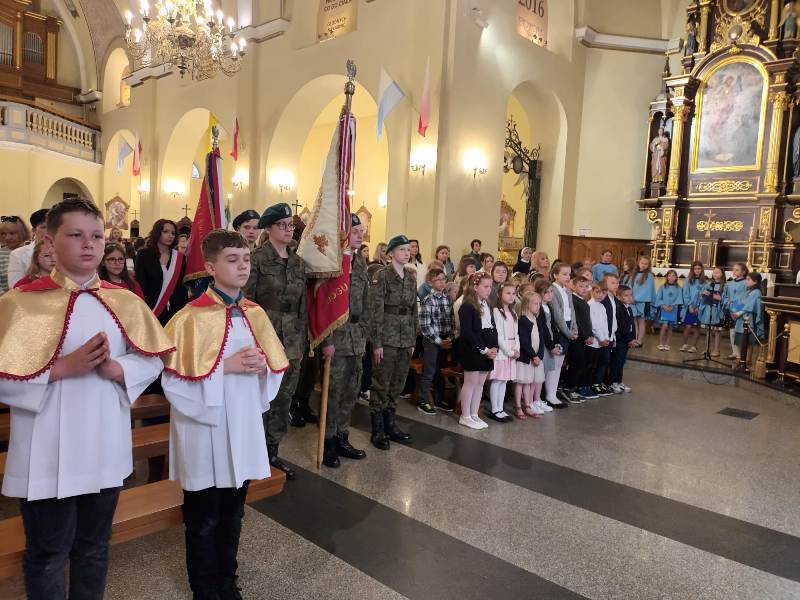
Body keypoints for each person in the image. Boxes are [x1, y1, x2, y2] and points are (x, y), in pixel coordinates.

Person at [0, 197, 171, 599]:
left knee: (94, 548)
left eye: (96, 235)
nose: (89, 244)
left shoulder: (124, 301)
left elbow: (154, 358)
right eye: (76, 235)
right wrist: (61, 368)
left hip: (102, 443)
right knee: (47, 553)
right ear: (49, 240)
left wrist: (118, 369)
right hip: (46, 449)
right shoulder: (19, 304)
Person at [162, 229, 288, 599]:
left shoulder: (255, 314)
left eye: (246, 259)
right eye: (232, 260)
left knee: (234, 513)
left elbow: (274, 369)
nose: (242, 266)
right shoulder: (188, 318)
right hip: (205, 429)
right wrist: (225, 367)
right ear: (210, 267)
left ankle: (227, 583)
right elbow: (172, 381)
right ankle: (204, 589)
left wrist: (263, 367)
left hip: (242, 424)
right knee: (203, 517)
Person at [245, 203, 307, 480]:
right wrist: (250, 340)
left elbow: (303, 305)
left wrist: (302, 341)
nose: (288, 229)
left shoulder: (298, 262)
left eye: (290, 225)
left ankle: (272, 451)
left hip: (292, 338)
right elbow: (246, 301)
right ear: (268, 228)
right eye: (282, 225)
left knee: (284, 397)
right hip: (264, 334)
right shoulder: (256, 258)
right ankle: (253, 453)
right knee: (260, 395)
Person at [319, 214, 371, 467]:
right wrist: (326, 340)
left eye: (362, 230)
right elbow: (323, 303)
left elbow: (366, 301)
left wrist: (365, 333)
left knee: (351, 390)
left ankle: (342, 436)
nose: (360, 235)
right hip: (337, 336)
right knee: (333, 392)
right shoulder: (333, 261)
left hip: (356, 336)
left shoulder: (360, 262)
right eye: (355, 230)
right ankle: (328, 441)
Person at [369, 234, 416, 447]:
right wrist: (377, 342)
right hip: (387, 336)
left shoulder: (411, 276)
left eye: (408, 249)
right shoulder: (382, 275)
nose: (406, 253)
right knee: (381, 382)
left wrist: (412, 338)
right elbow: (376, 310)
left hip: (405, 337)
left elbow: (414, 310)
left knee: (398, 382)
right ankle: (377, 429)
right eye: (401, 250)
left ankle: (390, 423)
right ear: (390, 253)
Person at [456, 272, 497, 429]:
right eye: (485, 286)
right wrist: (484, 349)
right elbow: (467, 333)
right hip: (473, 349)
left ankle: (474, 414)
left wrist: (494, 347)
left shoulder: (487, 304)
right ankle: (465, 415)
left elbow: (493, 327)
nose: (489, 290)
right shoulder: (467, 306)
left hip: (487, 349)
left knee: (480, 384)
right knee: (471, 383)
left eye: (490, 287)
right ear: (475, 287)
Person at [135, 219, 188, 325]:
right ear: (157, 232)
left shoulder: (179, 258)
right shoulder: (143, 255)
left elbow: (180, 286)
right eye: (166, 232)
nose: (170, 236)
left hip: (174, 311)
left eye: (173, 233)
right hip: (151, 309)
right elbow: (141, 285)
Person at [418, 266, 454, 415]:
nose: (441, 282)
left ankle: (439, 399)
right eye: (437, 280)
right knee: (430, 370)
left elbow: (451, 320)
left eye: (443, 279)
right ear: (430, 282)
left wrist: (450, 337)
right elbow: (425, 326)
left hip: (445, 340)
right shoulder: (428, 300)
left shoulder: (447, 298)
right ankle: (423, 400)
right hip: (432, 341)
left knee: (440, 371)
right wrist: (439, 341)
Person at [487, 282, 519, 422]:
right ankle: (494, 410)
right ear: (500, 294)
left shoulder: (513, 312)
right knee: (498, 380)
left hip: (512, 349)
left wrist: (517, 348)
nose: (511, 296)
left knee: (505, 381)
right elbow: (498, 335)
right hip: (503, 351)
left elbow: (516, 333)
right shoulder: (496, 311)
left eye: (513, 293)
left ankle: (501, 408)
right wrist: (509, 351)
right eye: (508, 293)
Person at [533, 278, 566, 408]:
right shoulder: (539, 308)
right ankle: (538, 398)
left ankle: (549, 396)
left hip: (551, 342)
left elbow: (552, 326)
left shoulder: (549, 307)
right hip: (544, 343)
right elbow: (543, 329)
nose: (550, 294)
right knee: (541, 372)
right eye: (546, 292)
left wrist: (556, 342)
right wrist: (551, 346)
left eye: (551, 291)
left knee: (550, 370)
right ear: (539, 293)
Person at [515, 290, 548, 419]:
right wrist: (533, 356)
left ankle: (528, 406)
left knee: (529, 383)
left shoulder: (536, 319)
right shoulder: (523, 320)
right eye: (535, 303)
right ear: (527, 304)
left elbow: (541, 339)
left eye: (539, 304)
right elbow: (524, 341)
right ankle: (518, 407)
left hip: (535, 358)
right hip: (526, 358)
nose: (538, 306)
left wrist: (539, 355)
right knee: (521, 382)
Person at [549, 262, 579, 403]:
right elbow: (557, 314)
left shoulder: (567, 290)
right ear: (555, 275)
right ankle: (550, 394)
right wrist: (568, 333)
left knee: (560, 363)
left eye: (569, 274)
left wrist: (574, 328)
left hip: (568, 328)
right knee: (554, 364)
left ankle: (554, 392)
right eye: (564, 274)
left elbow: (571, 311)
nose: (568, 277)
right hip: (559, 329)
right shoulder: (552, 290)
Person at [568, 276, 597, 400]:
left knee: (582, 363)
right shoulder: (573, 301)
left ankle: (577, 387)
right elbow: (577, 322)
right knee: (576, 363)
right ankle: (569, 388)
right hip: (577, 338)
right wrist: (585, 336)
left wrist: (590, 335)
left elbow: (587, 322)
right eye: (581, 286)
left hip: (585, 338)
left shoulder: (584, 301)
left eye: (586, 286)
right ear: (573, 286)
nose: (584, 289)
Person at [8, 209, 48, 289]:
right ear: (34, 230)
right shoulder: (18, 254)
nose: (49, 231)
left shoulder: (65, 251)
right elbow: (14, 287)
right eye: (44, 227)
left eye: (53, 227)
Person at [732, 272, 764, 367]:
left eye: (748, 279)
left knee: (748, 341)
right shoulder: (749, 291)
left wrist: (739, 313)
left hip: (749, 318)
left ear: (755, 281)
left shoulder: (756, 292)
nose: (746, 281)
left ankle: (747, 359)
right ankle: (742, 359)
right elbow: (743, 302)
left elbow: (750, 306)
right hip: (742, 317)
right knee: (741, 340)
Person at [588, 283, 612, 397]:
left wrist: (606, 338)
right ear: (592, 292)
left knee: (598, 363)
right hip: (593, 342)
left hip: (601, 342)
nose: (600, 295)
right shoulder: (590, 305)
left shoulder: (602, 306)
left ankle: (595, 384)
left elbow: (605, 324)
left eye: (603, 293)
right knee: (591, 365)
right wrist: (601, 338)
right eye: (597, 292)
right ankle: (588, 385)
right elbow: (594, 325)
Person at [610, 285, 635, 393]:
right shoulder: (619, 308)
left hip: (626, 340)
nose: (629, 297)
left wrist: (633, 338)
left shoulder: (629, 308)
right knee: (617, 362)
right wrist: (629, 339)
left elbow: (632, 325)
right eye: (626, 295)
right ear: (619, 297)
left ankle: (619, 381)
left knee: (621, 362)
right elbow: (622, 326)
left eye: (630, 295)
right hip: (620, 340)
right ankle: (613, 383)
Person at [722, 262, 749, 360]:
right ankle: (735, 352)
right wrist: (728, 303)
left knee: (739, 332)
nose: (734, 271)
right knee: (732, 331)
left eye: (737, 269)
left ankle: (740, 355)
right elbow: (725, 296)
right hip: (731, 310)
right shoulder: (729, 284)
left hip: (741, 311)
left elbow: (747, 297)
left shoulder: (746, 283)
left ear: (743, 272)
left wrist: (740, 308)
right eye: (734, 269)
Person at [700, 267, 726, 357]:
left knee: (717, 331)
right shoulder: (709, 284)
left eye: (718, 272)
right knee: (708, 330)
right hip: (709, 309)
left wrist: (720, 298)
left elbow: (726, 298)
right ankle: (706, 348)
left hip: (718, 310)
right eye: (714, 272)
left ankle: (716, 350)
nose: (715, 274)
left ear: (722, 274)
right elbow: (702, 295)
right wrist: (703, 293)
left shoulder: (724, 286)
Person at [680, 261, 706, 353]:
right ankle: (684, 344)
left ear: (702, 270)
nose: (697, 270)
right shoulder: (688, 280)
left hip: (699, 307)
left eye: (699, 269)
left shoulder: (704, 282)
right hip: (689, 306)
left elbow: (704, 296)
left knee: (696, 327)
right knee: (688, 326)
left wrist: (699, 306)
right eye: (695, 269)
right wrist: (690, 305)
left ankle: (694, 346)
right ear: (692, 270)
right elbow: (685, 294)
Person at [655, 269, 683, 351]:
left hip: (673, 310)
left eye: (673, 276)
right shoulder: (662, 287)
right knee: (664, 326)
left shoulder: (678, 288)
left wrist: (673, 307)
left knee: (670, 327)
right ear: (667, 277)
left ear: (676, 277)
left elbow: (679, 299)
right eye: (670, 276)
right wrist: (663, 305)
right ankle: (661, 343)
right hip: (664, 309)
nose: (671, 277)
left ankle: (667, 344)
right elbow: (658, 298)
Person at [631, 255, 655, 347]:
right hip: (633, 301)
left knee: (641, 321)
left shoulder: (649, 276)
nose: (643, 265)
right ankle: (634, 339)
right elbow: (631, 287)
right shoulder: (634, 274)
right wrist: (630, 297)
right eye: (642, 263)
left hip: (643, 302)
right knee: (634, 321)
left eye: (646, 264)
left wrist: (636, 298)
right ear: (638, 263)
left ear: (648, 265)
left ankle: (639, 341)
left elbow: (647, 290)